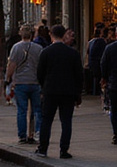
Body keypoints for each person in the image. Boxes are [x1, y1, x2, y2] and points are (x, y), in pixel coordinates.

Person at [35, 24, 84, 159]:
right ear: (64, 35)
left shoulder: (46, 52)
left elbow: (40, 73)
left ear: (51, 35)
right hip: (68, 91)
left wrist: (44, 86)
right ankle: (64, 150)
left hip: (50, 90)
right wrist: (78, 92)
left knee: (46, 120)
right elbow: (79, 75)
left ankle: (43, 148)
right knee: (66, 121)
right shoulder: (73, 53)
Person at [5, 24, 42, 145]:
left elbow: (12, 65)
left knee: (22, 110)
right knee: (37, 110)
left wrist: (8, 78)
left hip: (20, 82)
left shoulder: (16, 47)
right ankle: (38, 132)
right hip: (35, 82)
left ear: (21, 34)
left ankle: (22, 135)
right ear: (32, 34)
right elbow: (41, 66)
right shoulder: (38, 48)